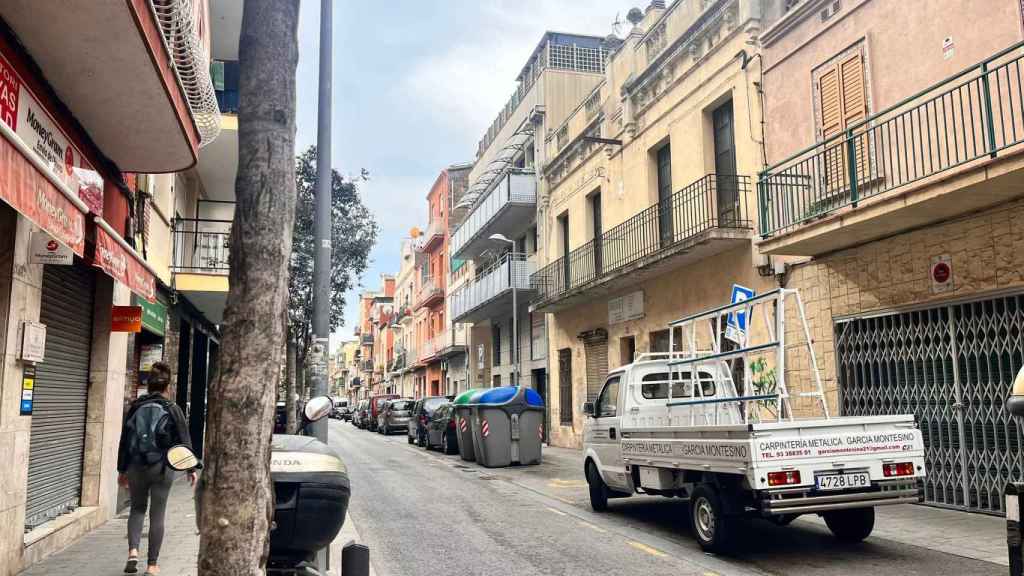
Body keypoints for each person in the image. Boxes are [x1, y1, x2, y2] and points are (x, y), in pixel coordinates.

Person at [117, 362, 196, 575]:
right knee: (157, 514)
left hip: (135, 465)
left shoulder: (134, 407)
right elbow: (184, 440)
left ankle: (133, 551)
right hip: (161, 467)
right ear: (167, 386)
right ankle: (152, 565)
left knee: (137, 508)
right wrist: (191, 469)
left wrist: (122, 470)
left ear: (148, 385)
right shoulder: (172, 409)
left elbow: (124, 440)